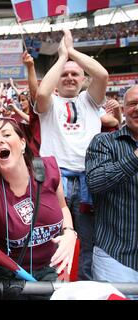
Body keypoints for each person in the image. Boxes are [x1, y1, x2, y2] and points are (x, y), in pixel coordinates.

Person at [0, 118, 76, 299]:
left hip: (50, 270)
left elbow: (63, 207)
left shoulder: (49, 168)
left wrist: (69, 232)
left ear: (22, 143)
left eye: (7, 134)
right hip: (5, 278)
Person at [35, 29, 109, 280]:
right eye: (64, 74)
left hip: (90, 180)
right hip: (54, 182)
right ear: (56, 79)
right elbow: (43, 93)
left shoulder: (91, 102)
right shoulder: (49, 105)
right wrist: (60, 58)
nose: (69, 77)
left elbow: (102, 74)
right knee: (54, 241)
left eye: (74, 73)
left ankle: (86, 288)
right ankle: (56, 289)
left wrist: (71, 52)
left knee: (89, 241)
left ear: (82, 79)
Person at [85, 85, 138, 293]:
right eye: (133, 104)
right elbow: (95, 182)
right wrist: (135, 158)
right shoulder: (104, 142)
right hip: (116, 257)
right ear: (123, 110)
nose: (137, 109)